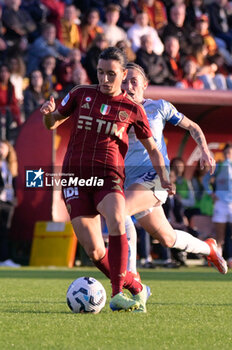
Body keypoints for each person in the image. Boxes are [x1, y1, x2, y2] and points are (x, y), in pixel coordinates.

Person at [40, 47, 173, 312]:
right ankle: (135, 287)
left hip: (108, 177)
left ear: (123, 74)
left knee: (117, 218)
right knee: (95, 252)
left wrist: (165, 178)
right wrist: (47, 115)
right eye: (100, 72)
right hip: (76, 179)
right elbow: (53, 124)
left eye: (111, 74)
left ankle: (115, 295)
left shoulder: (132, 108)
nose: (104, 79)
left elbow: (153, 149)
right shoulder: (80, 94)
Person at [121, 62, 228, 276]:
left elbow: (192, 127)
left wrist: (205, 150)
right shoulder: (114, 110)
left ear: (145, 85)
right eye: (124, 81)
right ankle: (208, 248)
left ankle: (131, 281)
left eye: (134, 81)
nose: (129, 85)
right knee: (168, 238)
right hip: (130, 183)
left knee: (119, 212)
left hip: (155, 177)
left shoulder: (159, 107)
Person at [204, 142, 232, 267]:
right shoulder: (219, 166)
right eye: (226, 153)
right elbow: (205, 180)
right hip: (221, 203)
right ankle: (218, 260)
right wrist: (211, 193)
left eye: (230, 153)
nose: (227, 155)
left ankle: (230, 258)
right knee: (219, 236)